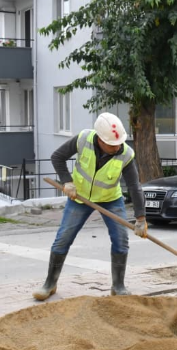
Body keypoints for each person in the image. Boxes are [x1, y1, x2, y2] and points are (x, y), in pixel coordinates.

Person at [34, 112, 148, 301]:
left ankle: (118, 286)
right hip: (80, 197)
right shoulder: (83, 139)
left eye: (119, 142)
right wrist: (67, 182)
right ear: (99, 139)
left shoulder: (126, 154)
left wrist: (141, 218)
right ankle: (50, 284)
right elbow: (57, 157)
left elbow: (135, 186)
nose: (117, 146)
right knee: (63, 239)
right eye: (112, 144)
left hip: (110, 199)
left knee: (121, 241)